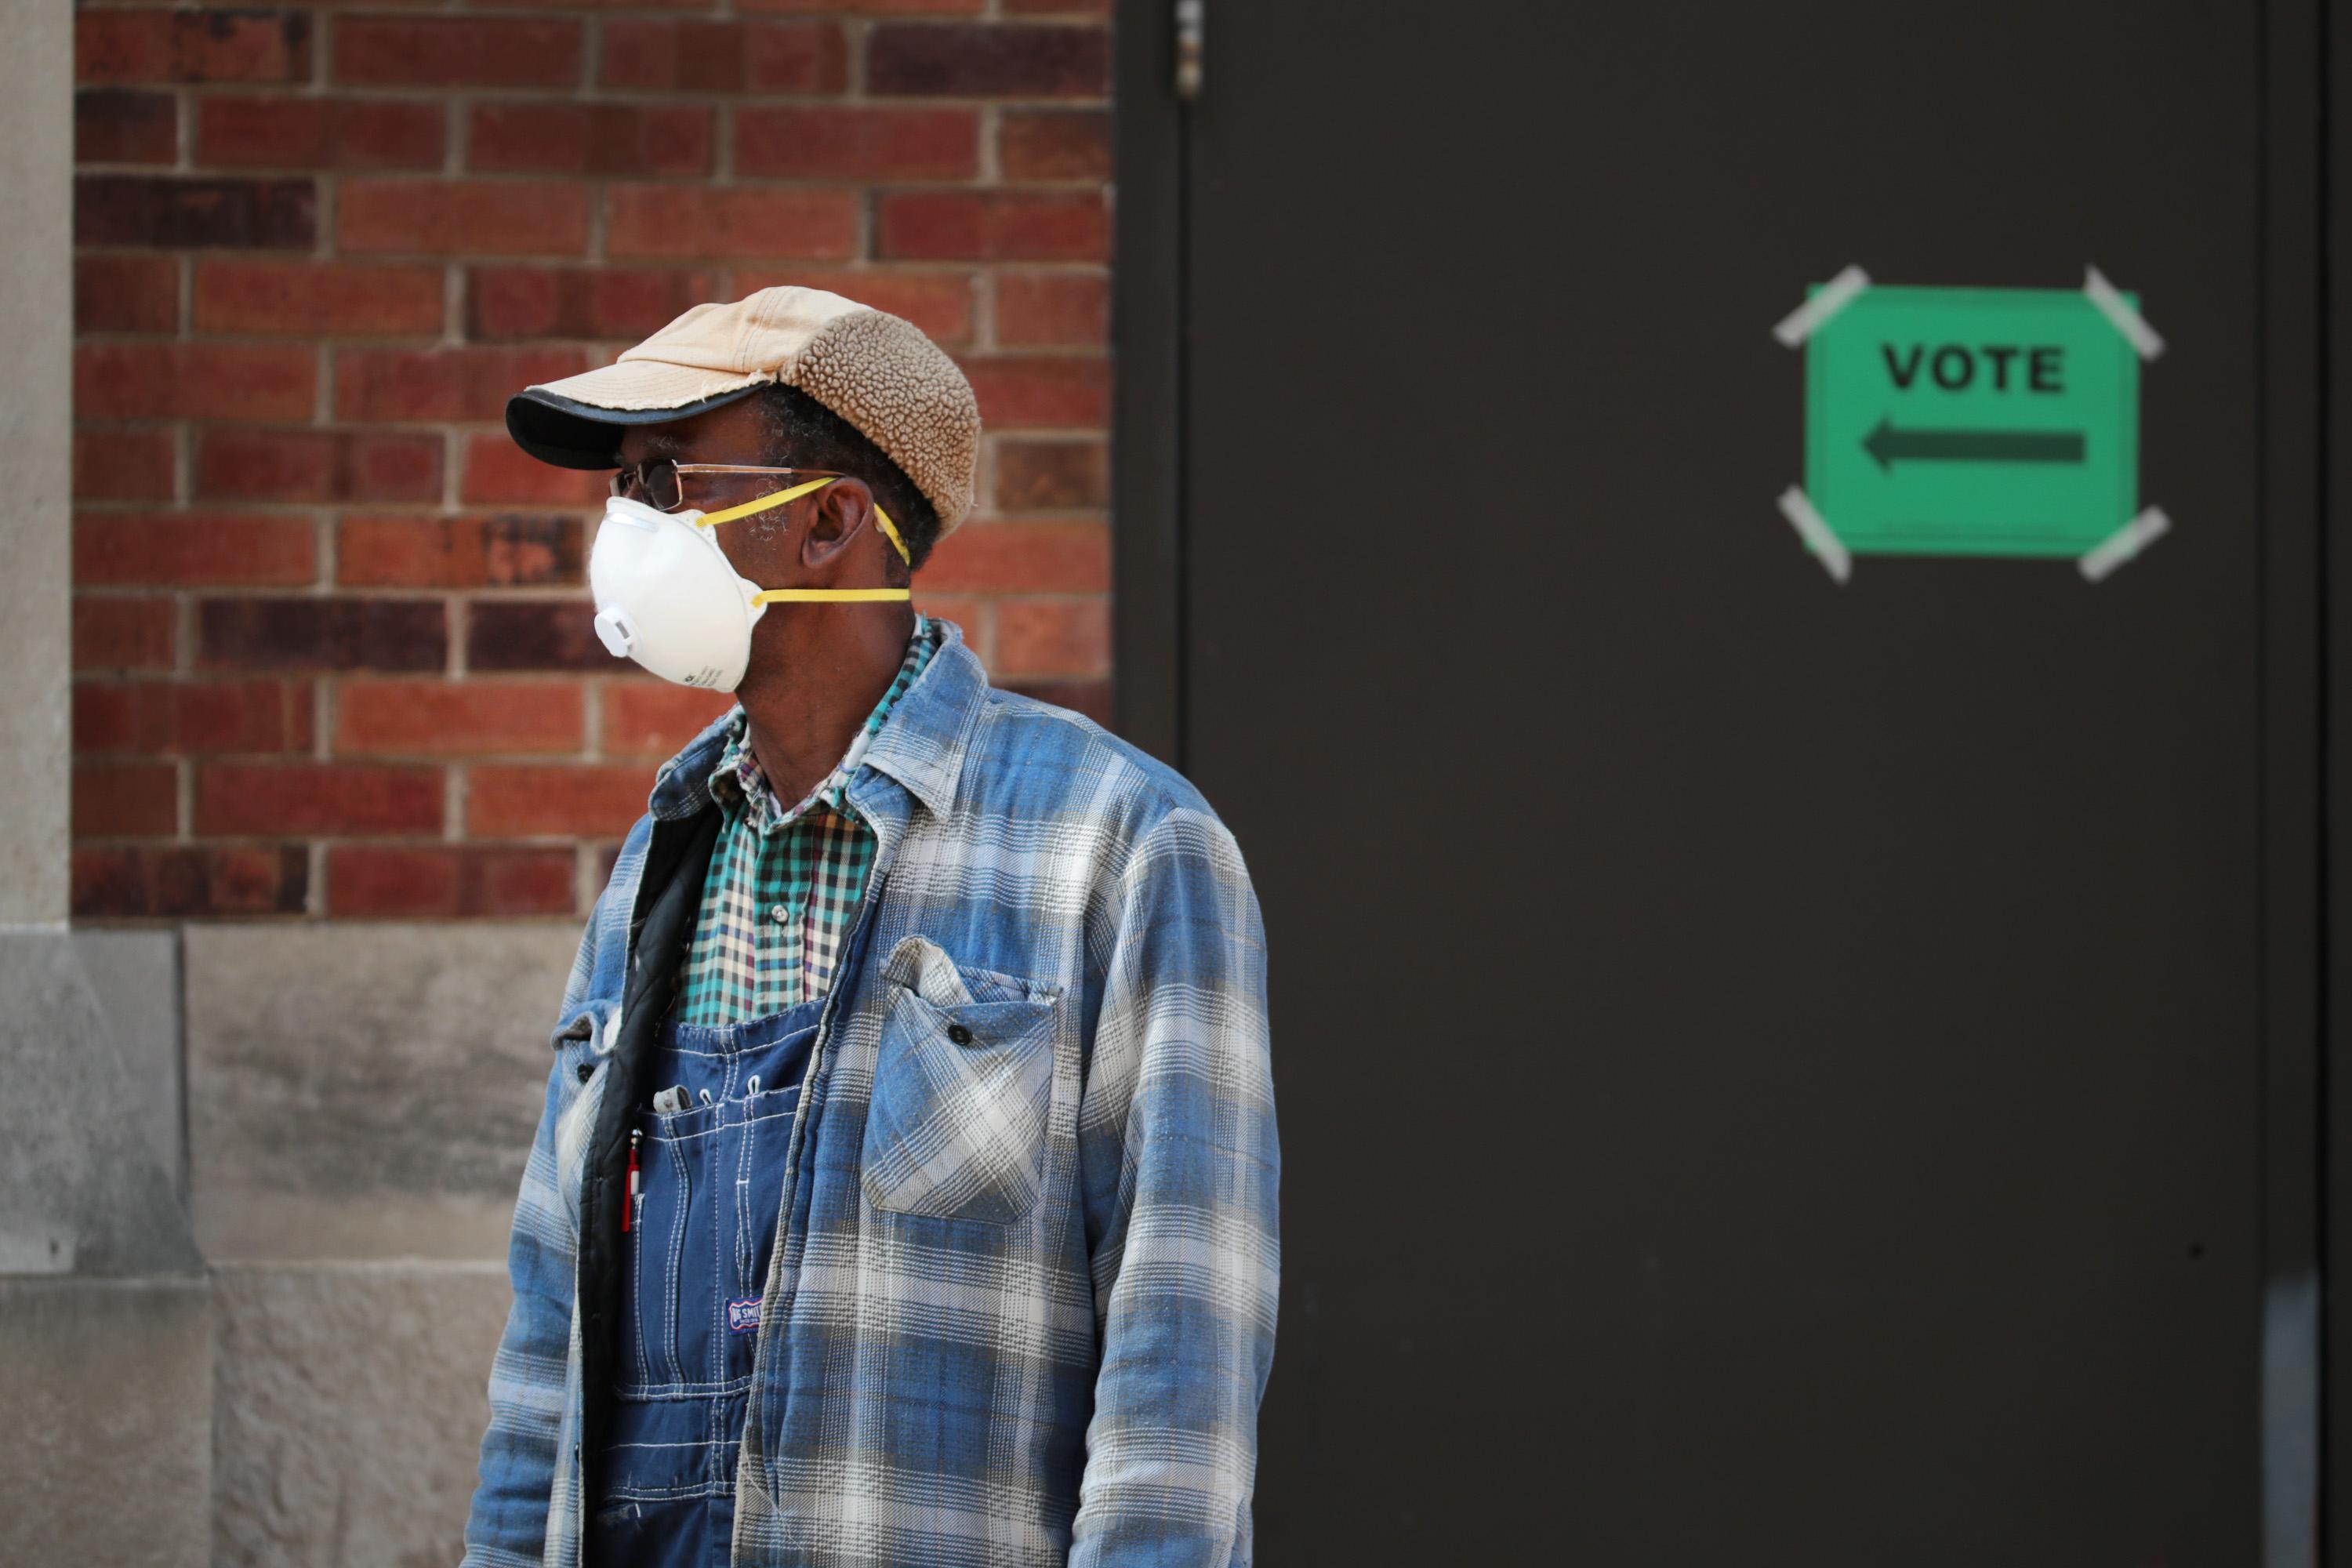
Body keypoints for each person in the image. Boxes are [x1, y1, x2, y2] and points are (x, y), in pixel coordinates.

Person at [457, 285, 1279, 1568]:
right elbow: (546, 1338)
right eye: (621, 488)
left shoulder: (1119, 847)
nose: (623, 527)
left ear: (832, 521)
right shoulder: (662, 859)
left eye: (666, 481)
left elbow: (1183, 1361)